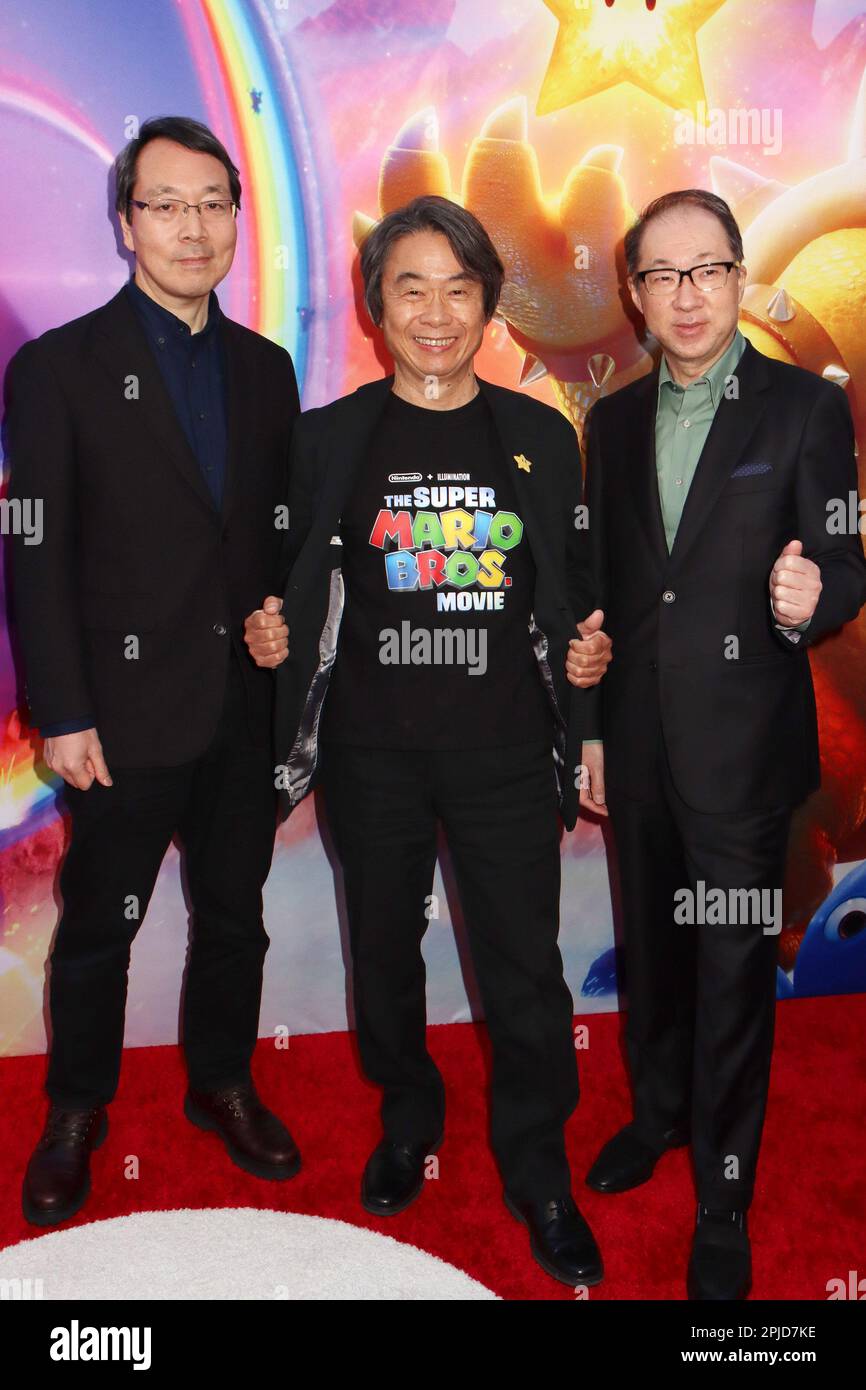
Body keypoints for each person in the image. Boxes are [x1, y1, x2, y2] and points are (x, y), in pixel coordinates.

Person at [244, 195, 612, 1286]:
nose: (436, 312)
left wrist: (584, 684)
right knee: (385, 957)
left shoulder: (542, 436)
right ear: (375, 308)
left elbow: (573, 601)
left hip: (503, 753)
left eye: (458, 288)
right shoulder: (326, 440)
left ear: (487, 305)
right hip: (372, 757)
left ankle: (536, 1167)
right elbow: (292, 585)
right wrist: (273, 630)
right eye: (411, 288)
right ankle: (408, 1120)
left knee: (525, 975)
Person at [5, 116, 301, 1227]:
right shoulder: (59, 369)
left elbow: (272, 534)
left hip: (244, 709)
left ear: (235, 218)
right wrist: (63, 709)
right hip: (117, 717)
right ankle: (77, 1108)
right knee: (99, 923)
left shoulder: (266, 371)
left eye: (214, 202)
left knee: (236, 914)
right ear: (126, 223)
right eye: (167, 204)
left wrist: (280, 623)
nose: (193, 226)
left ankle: (221, 1083)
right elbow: (34, 551)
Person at [572, 188, 866, 1299]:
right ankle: (654, 1116)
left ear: (738, 279)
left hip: (743, 757)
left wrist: (808, 597)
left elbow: (842, 562)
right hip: (638, 749)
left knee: (734, 971)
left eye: (706, 271)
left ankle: (725, 1190)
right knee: (651, 950)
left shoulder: (801, 410)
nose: (685, 296)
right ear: (634, 297)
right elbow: (607, 594)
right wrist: (594, 731)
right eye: (661, 275)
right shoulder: (607, 423)